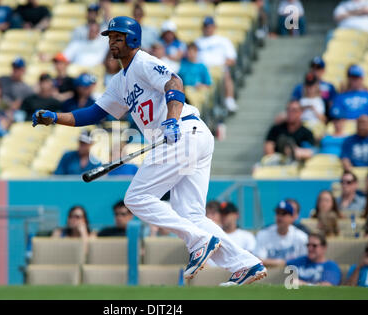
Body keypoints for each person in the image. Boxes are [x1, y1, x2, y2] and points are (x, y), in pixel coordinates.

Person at [32, 16, 267, 285]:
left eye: (118, 37)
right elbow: (94, 113)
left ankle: (199, 241)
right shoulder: (119, 81)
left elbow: (175, 82)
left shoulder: (142, 61)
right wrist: (55, 117)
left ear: (132, 39)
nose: (112, 42)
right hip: (190, 137)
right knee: (189, 214)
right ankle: (246, 264)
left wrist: (172, 118)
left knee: (136, 197)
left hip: (182, 131)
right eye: (110, 37)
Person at [195, 16, 239, 113]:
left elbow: (232, 59)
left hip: (219, 68)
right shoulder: (197, 42)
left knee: (225, 74)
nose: (208, 28)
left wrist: (220, 65)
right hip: (201, 69)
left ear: (214, 27)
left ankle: (229, 100)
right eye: (206, 26)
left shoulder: (223, 40)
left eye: (210, 26)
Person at [255, 200, 308, 267]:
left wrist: (283, 263)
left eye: (284, 214)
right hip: (270, 274)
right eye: (278, 213)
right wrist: (283, 263)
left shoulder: (301, 237)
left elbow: (305, 260)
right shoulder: (263, 234)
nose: (280, 217)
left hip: (294, 274)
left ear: (292, 217)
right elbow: (258, 261)